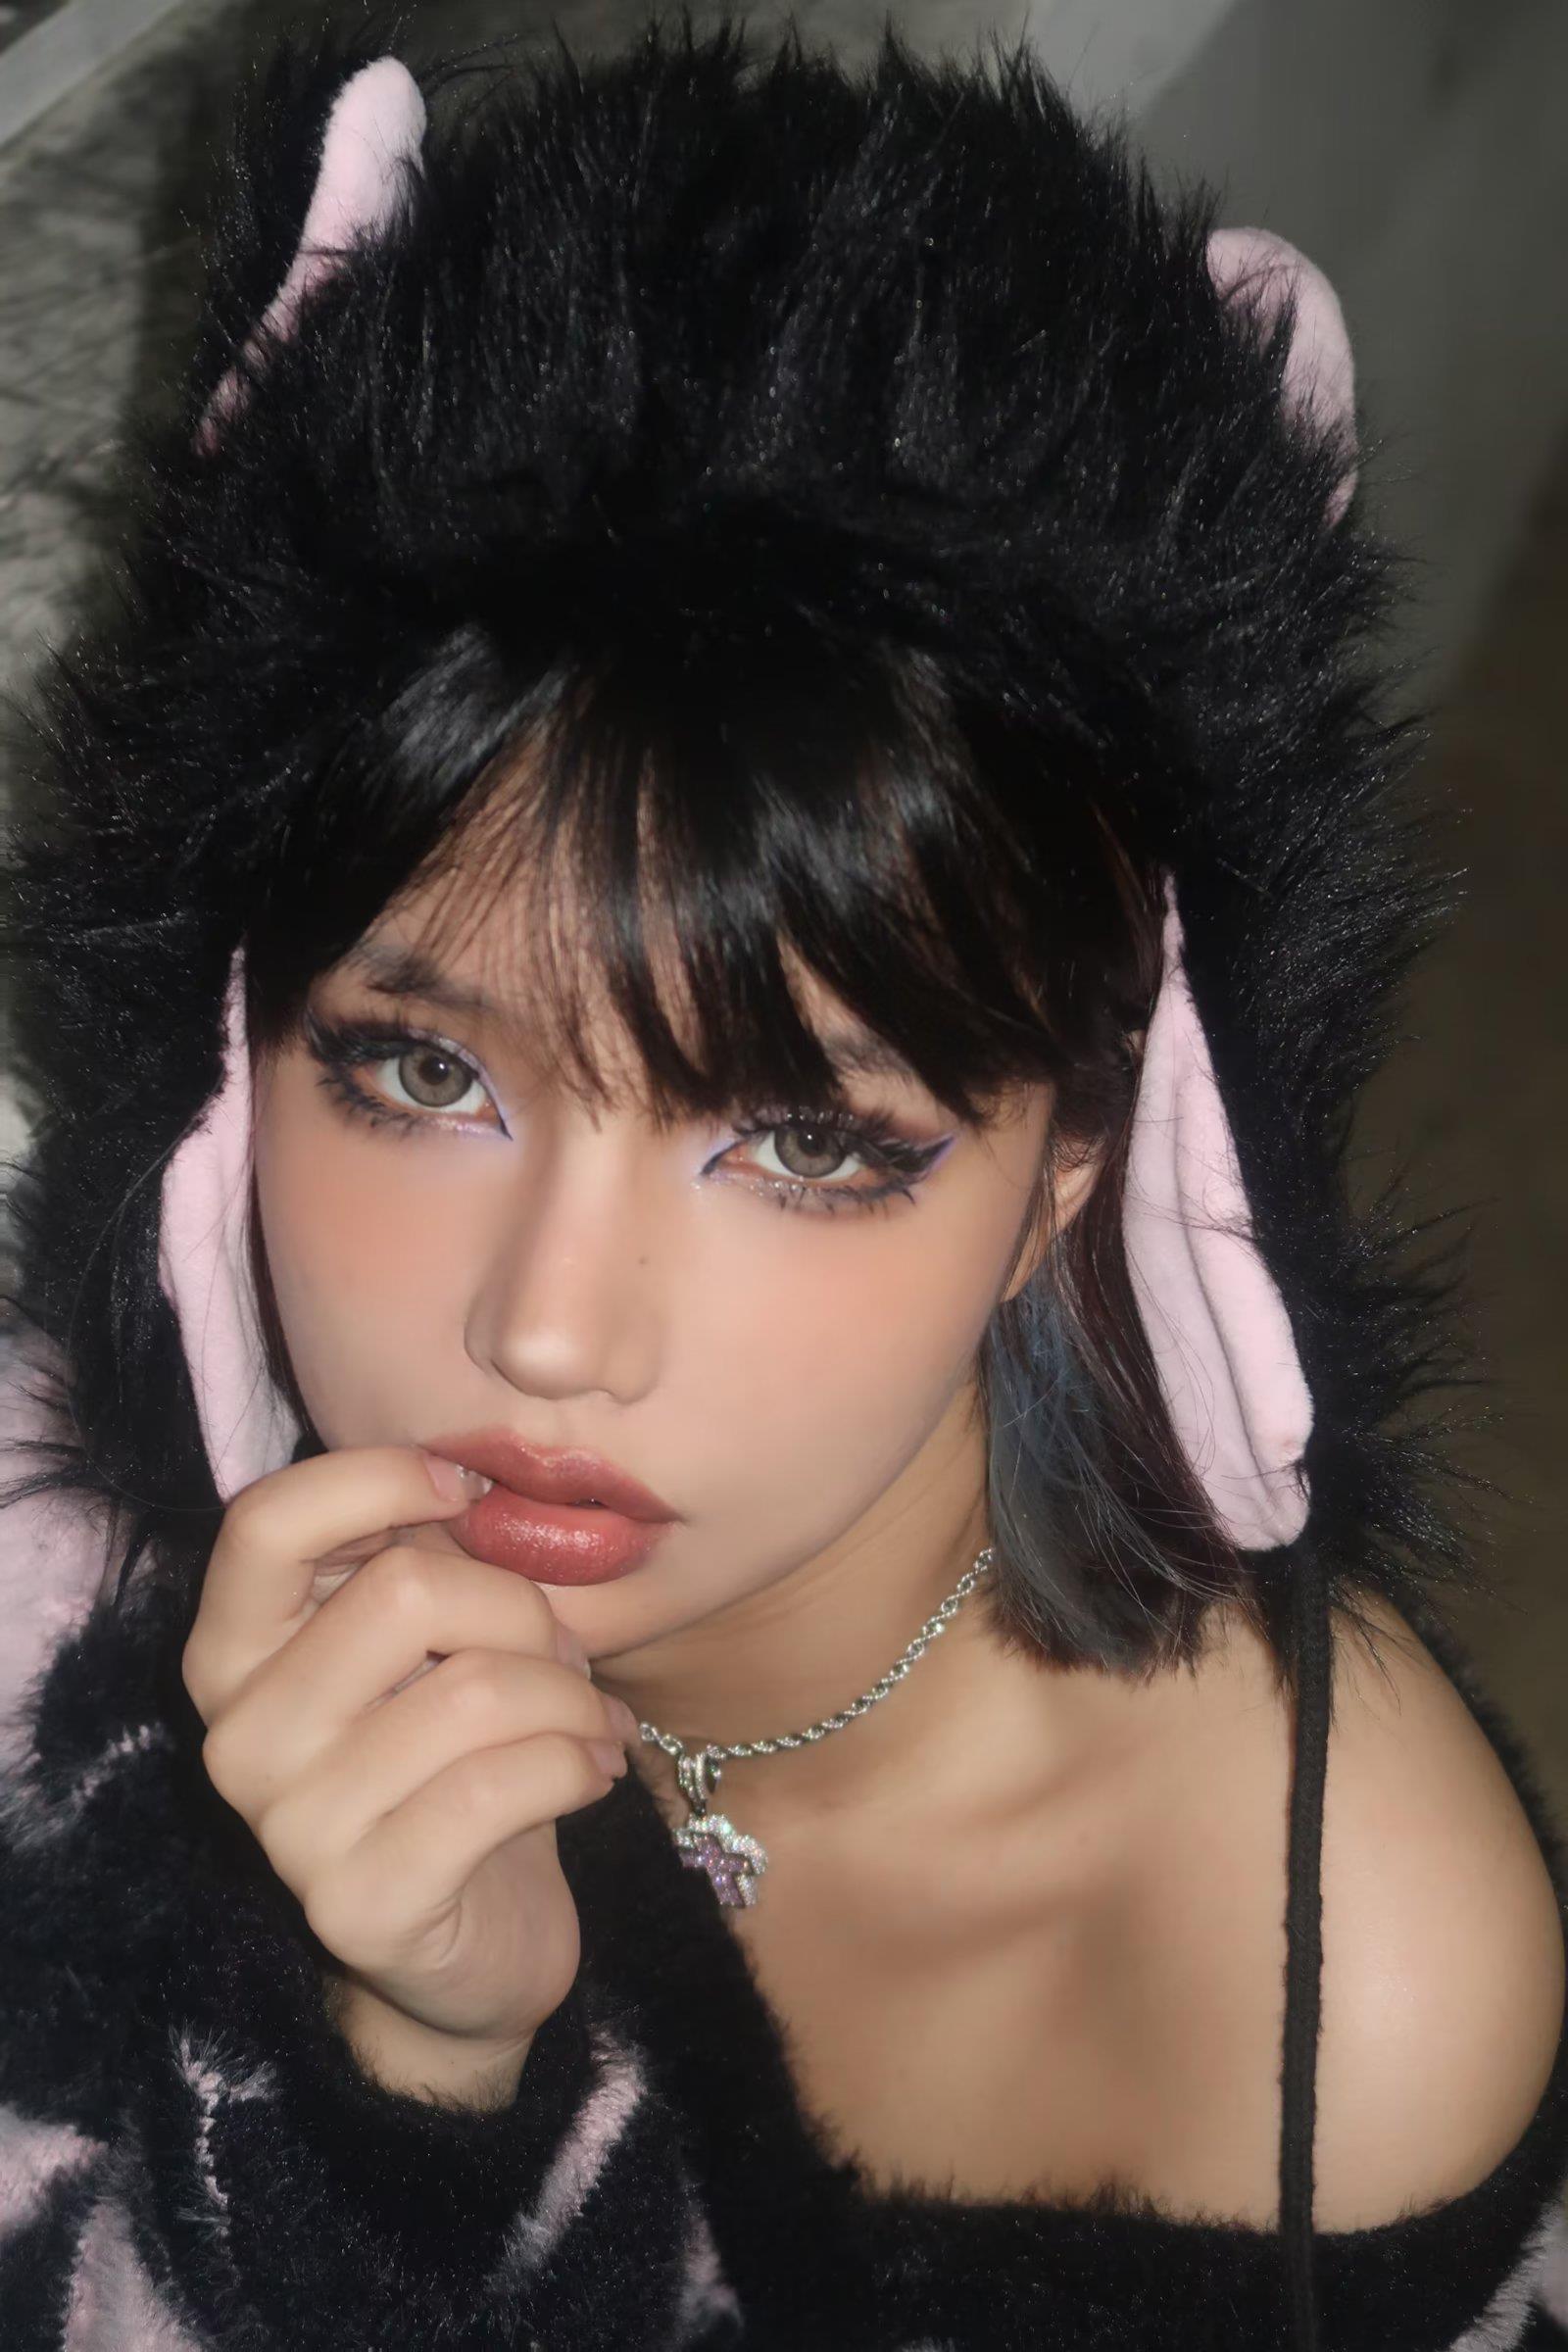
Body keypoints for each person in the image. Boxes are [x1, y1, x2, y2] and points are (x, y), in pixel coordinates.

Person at [1, 15, 1565, 2349]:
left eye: (808, 1139)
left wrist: (423, 2105)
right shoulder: (77, 1541)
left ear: (1085, 1160)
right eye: (419, 1069)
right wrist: (384, 2060)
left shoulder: (1327, 1993)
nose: (548, 1330)